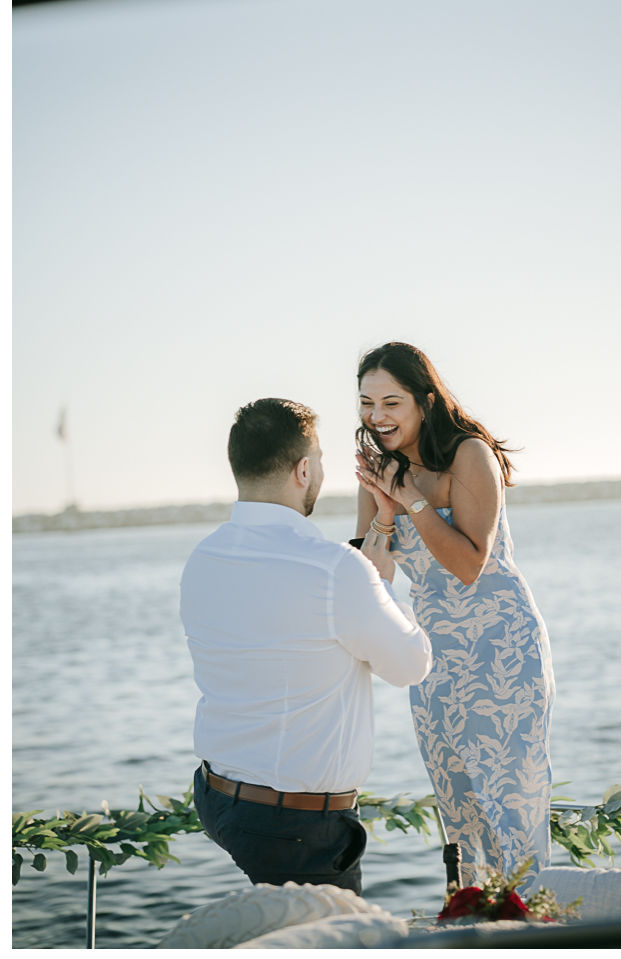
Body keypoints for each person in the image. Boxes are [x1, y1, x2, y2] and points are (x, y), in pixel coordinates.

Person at [180, 397, 432, 896]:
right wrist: (380, 584)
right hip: (293, 827)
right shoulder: (335, 568)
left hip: (219, 799)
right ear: (302, 469)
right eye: (317, 460)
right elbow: (410, 665)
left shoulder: (202, 558)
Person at [354, 343, 555, 889]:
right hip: (434, 658)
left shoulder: (471, 454)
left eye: (391, 401)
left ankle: (532, 921)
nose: (377, 417)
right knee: (459, 803)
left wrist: (413, 501)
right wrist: (386, 514)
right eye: (367, 403)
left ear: (424, 399)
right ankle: (479, 921)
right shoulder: (379, 470)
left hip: (502, 649)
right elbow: (373, 574)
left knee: (509, 799)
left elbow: (469, 564)